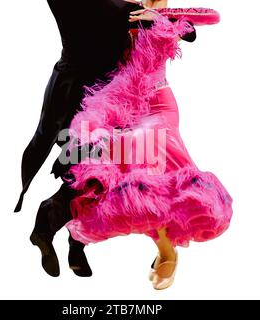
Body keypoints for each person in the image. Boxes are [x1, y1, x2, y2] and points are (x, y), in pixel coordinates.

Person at [63, 1, 233, 290]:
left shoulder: (161, 11)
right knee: (130, 178)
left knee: (155, 173)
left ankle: (167, 250)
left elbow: (199, 24)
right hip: (123, 104)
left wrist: (159, 19)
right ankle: (161, 244)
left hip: (158, 104)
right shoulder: (114, 8)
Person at [14, 0, 145, 277]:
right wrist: (146, 15)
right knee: (85, 171)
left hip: (105, 93)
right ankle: (51, 226)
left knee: (100, 174)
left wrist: (169, 24)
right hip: (76, 96)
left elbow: (126, 17)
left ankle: (73, 240)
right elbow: (107, 13)